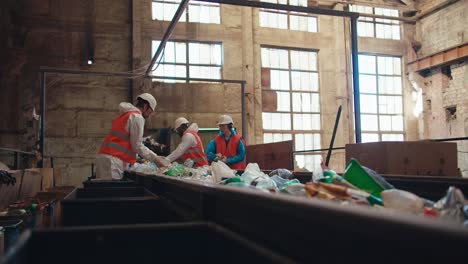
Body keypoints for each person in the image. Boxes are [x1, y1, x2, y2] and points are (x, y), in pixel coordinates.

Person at [96, 93, 169, 179]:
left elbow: (125, 142)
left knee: (104, 190)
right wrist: (155, 158)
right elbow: (137, 145)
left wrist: (134, 158)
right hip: (114, 160)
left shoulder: (125, 115)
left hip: (106, 157)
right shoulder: (137, 117)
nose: (149, 115)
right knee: (111, 191)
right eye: (150, 112)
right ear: (145, 106)